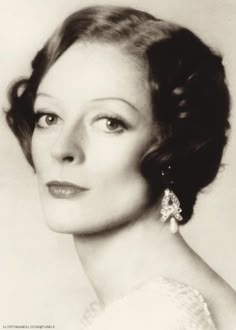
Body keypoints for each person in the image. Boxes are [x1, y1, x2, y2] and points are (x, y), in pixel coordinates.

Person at [5, 5, 236, 329]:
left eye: (110, 122)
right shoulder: (141, 306)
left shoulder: (155, 317)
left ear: (173, 148)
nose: (61, 148)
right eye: (49, 117)